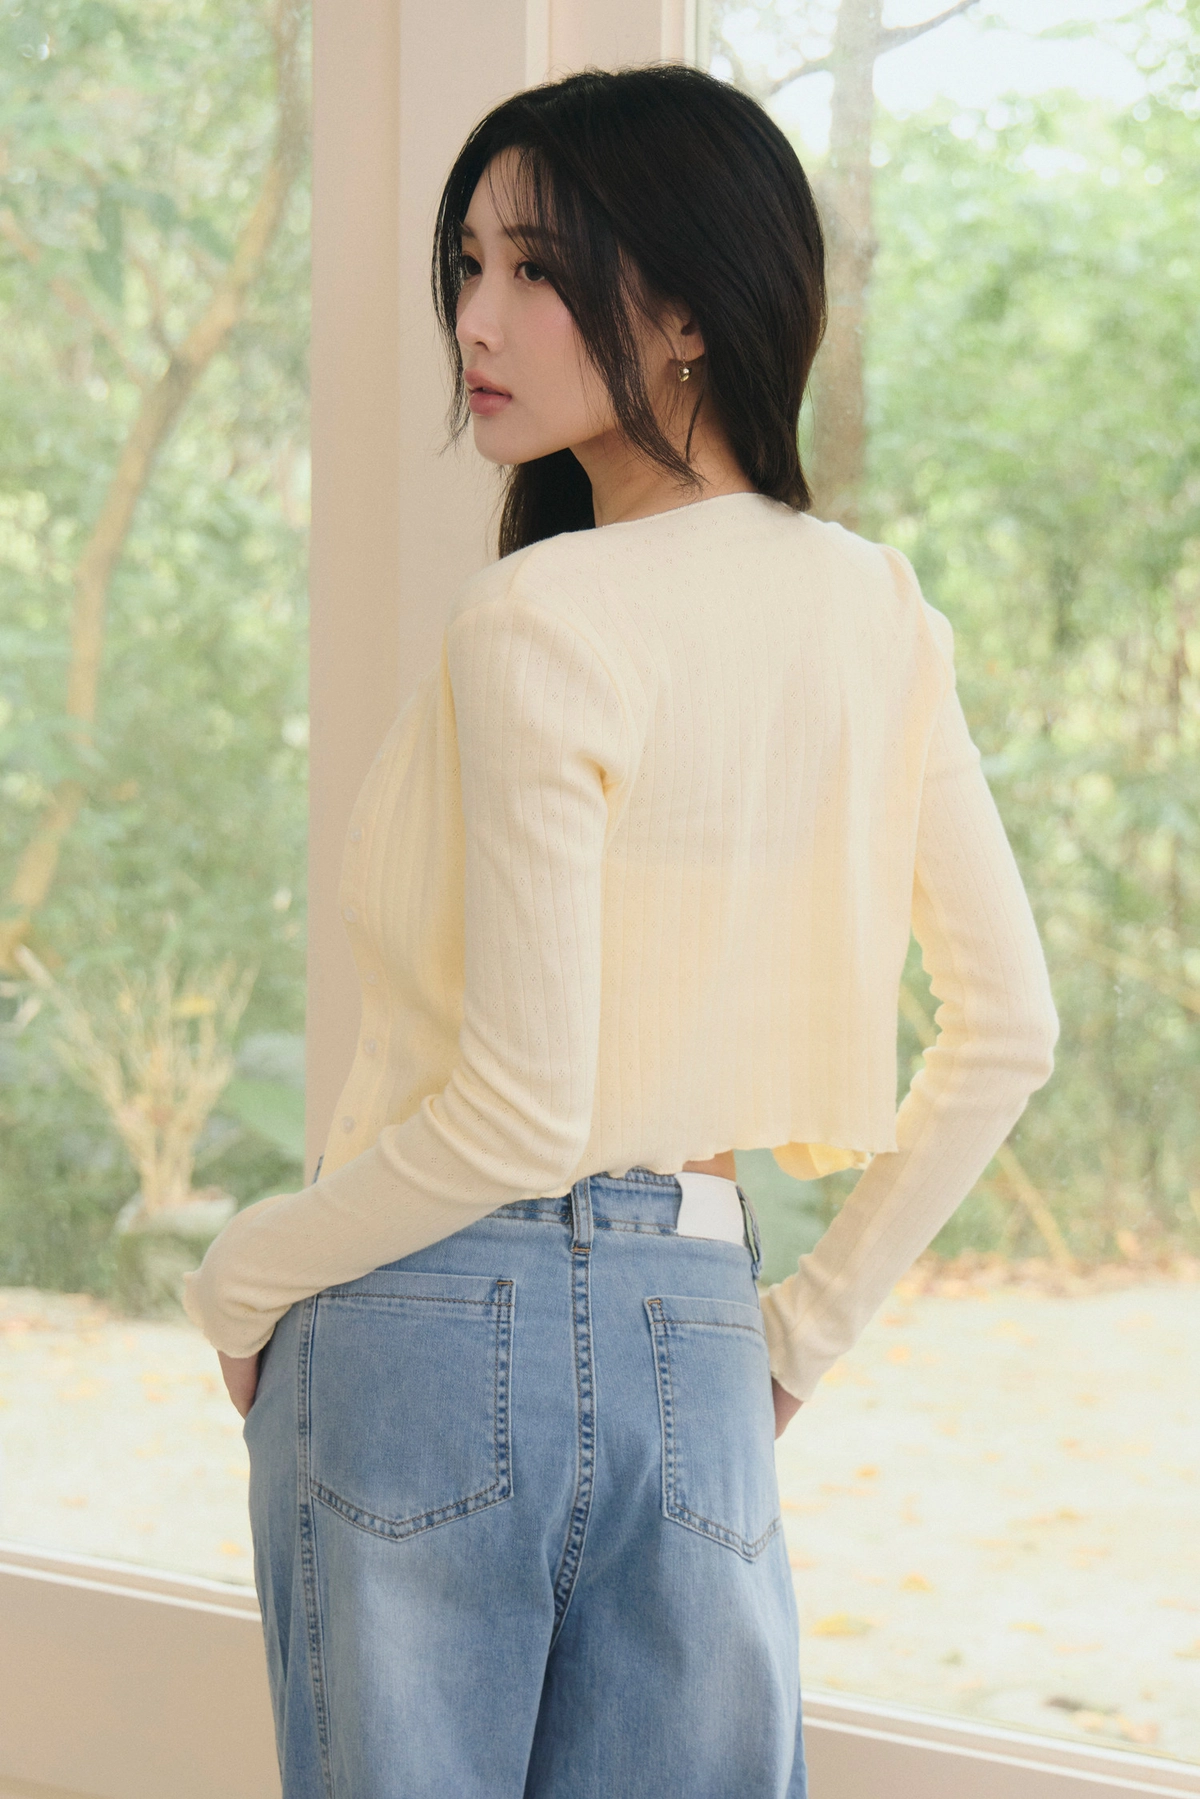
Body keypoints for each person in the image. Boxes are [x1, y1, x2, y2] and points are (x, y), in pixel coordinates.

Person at [183, 63, 1058, 1799]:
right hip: (701, 1319)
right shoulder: (877, 609)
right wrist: (794, 1333)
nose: (475, 319)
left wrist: (243, 1270)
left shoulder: (543, 613)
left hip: (431, 1316)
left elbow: (520, 1111)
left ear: (686, 313)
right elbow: (1009, 1029)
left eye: (535, 268)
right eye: (467, 267)